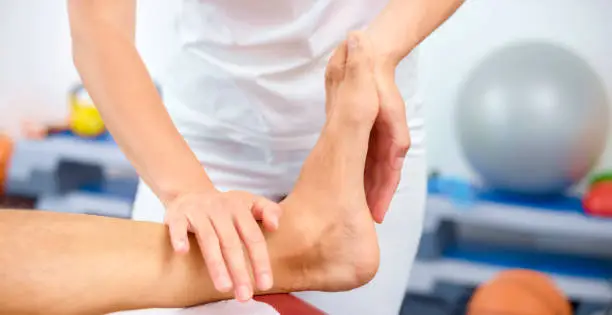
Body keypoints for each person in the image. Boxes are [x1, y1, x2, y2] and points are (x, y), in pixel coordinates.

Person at [67, 1, 463, 313]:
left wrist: (374, 54)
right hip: (201, 146)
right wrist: (186, 191)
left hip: (362, 139)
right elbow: (98, 25)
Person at [4, 37, 379, 315]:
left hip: (383, 84)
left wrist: (386, 50)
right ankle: (294, 249)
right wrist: (189, 192)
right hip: (206, 122)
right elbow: (99, 34)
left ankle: (297, 246)